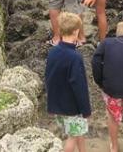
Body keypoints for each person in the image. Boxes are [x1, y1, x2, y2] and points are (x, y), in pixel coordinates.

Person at [92, 21, 123, 152]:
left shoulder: (106, 43)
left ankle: (114, 146)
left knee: (113, 117)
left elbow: (95, 61)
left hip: (111, 89)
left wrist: (100, 82)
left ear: (118, 33)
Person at [45, 12, 91, 152]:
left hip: (57, 103)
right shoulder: (75, 57)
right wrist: (86, 109)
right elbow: (79, 86)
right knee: (73, 136)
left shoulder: (52, 52)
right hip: (72, 107)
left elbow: (48, 76)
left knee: (77, 131)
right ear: (76, 31)